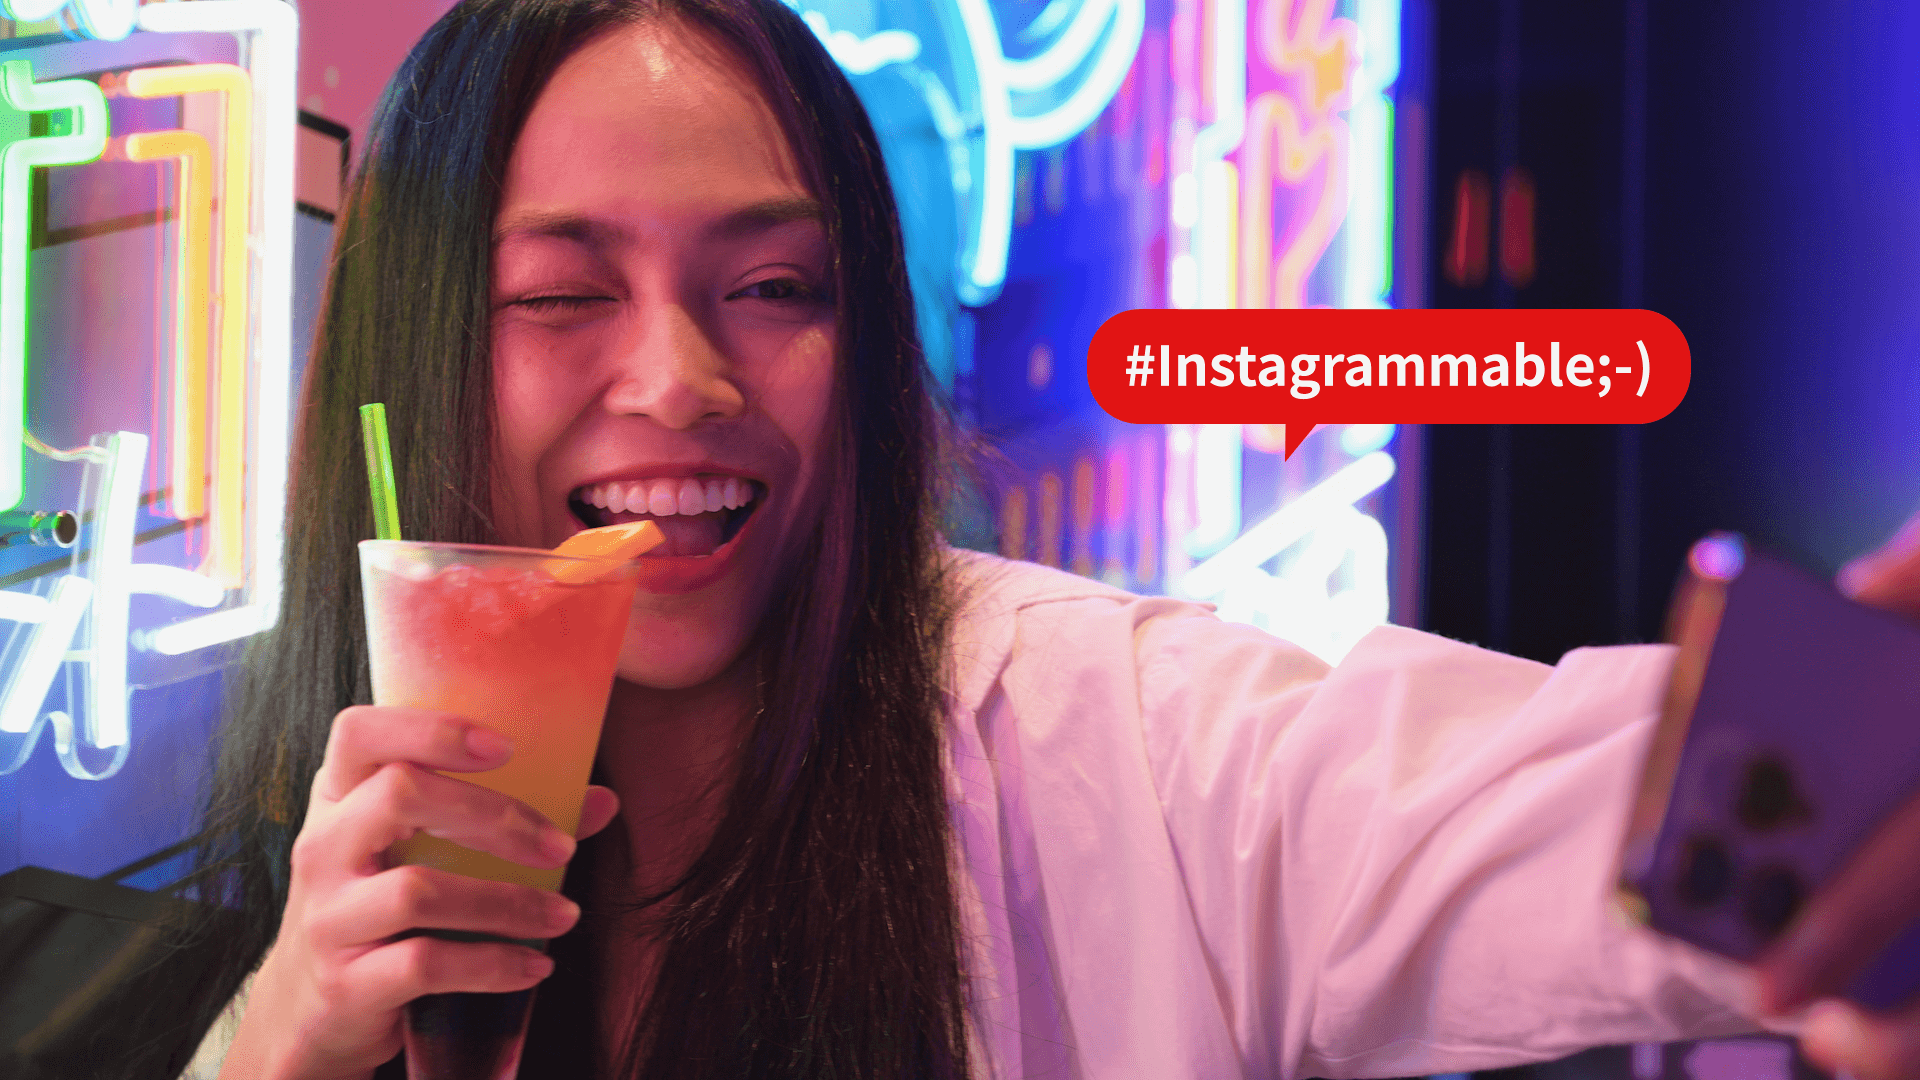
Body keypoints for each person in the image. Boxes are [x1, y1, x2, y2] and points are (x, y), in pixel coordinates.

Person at [160, 0, 1920, 1077]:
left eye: (775, 287)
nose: (684, 380)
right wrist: (289, 1037)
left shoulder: (1108, 737)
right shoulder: (288, 884)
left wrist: (1862, 751)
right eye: (561, 294)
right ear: (417, 354)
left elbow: (1556, 803)